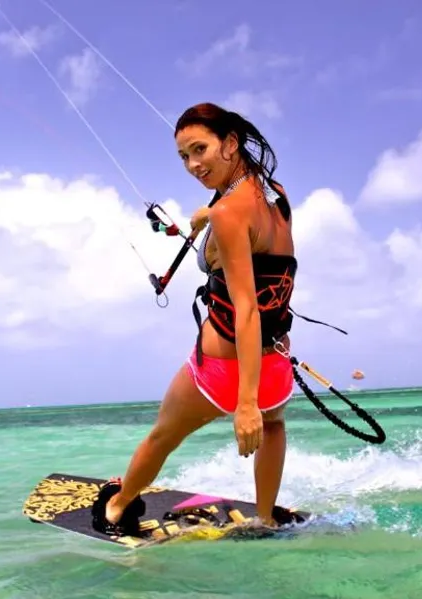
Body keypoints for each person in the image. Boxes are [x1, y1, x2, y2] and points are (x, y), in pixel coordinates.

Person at [91, 102, 299, 533]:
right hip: (276, 362)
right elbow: (261, 248)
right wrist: (210, 214)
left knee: (163, 435)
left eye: (200, 149)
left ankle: (118, 506)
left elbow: (245, 309)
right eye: (184, 157)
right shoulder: (275, 194)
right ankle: (263, 517)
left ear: (230, 143)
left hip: (223, 368)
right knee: (274, 426)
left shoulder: (228, 213)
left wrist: (245, 404)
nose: (192, 165)